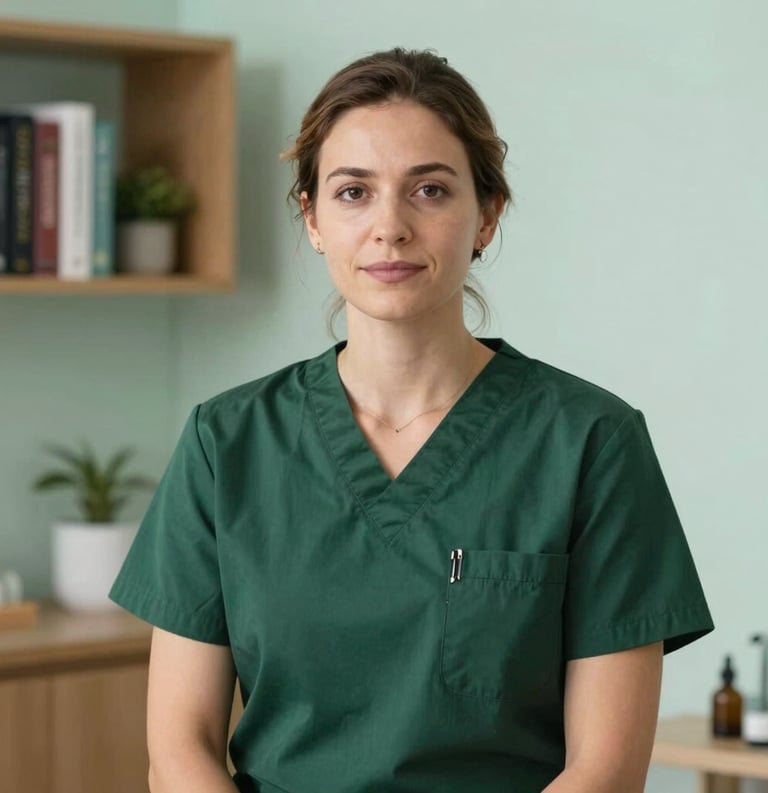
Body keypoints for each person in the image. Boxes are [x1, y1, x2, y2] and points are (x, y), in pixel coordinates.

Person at [110, 47, 714, 793]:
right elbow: (179, 754)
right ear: (313, 219)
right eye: (353, 192)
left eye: (429, 189)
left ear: (487, 214)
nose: (389, 226)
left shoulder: (591, 442)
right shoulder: (224, 442)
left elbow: (605, 770)